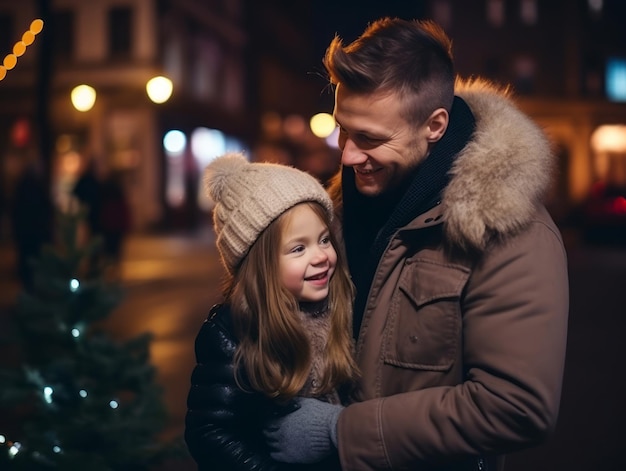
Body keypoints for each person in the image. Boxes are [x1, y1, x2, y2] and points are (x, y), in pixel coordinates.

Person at [264, 17, 569, 471]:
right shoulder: (336, 208)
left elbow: (516, 406)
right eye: (342, 129)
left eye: (369, 138)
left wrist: (339, 432)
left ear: (435, 125)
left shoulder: (507, 230)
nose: (346, 154)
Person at [184, 152, 358, 470]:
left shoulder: (340, 306)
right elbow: (209, 432)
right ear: (261, 265)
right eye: (298, 248)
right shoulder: (233, 332)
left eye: (324, 240)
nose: (320, 256)